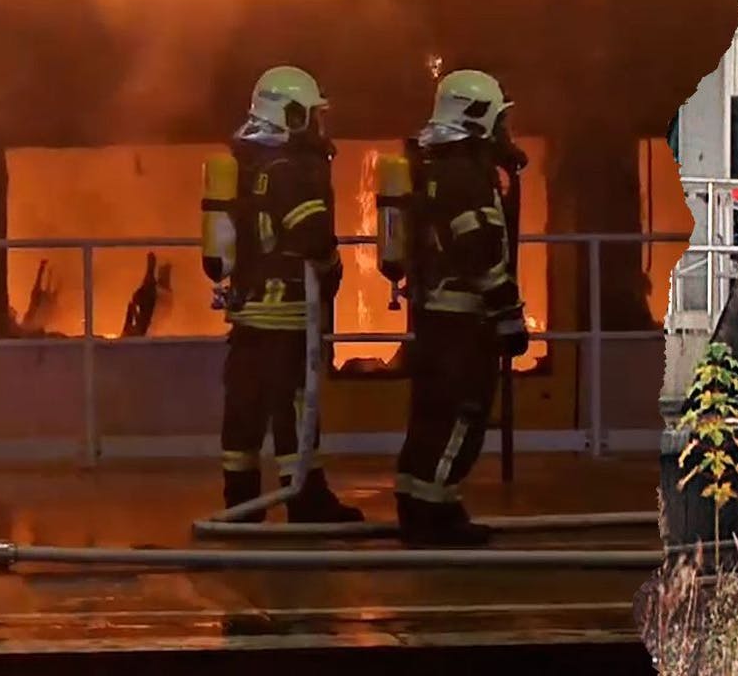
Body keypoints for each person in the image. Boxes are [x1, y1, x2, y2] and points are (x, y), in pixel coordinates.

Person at [219, 66, 363, 524]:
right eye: (313, 114)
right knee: (296, 407)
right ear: (293, 115)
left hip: (247, 312)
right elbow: (313, 236)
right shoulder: (293, 170)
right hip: (287, 313)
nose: (318, 124)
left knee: (244, 410)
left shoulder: (246, 163)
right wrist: (333, 268)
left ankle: (241, 502)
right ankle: (305, 498)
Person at [395, 68, 530, 546]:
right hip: (464, 323)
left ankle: (424, 503)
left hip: (437, 318)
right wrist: (507, 313)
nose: (505, 132)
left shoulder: (437, 168)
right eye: (499, 121)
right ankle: (433, 513)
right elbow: (479, 249)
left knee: (430, 417)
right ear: (476, 119)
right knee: (461, 415)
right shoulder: (466, 176)